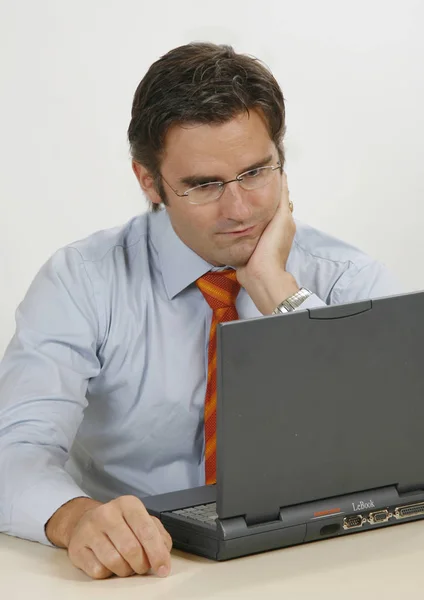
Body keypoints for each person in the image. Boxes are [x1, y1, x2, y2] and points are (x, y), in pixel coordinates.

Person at [0, 42, 404, 580]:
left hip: (314, 567)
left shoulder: (344, 278)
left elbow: (395, 440)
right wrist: (76, 520)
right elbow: (16, 450)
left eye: (257, 172)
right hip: (142, 573)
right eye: (203, 184)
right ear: (149, 182)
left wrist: (276, 290)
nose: (238, 210)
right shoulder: (83, 281)